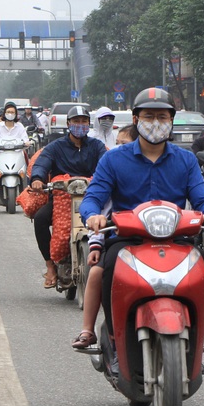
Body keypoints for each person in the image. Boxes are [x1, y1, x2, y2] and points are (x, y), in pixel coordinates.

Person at [77, 87, 204, 348]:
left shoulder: (186, 160)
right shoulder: (113, 160)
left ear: (171, 121)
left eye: (162, 116)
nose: (155, 122)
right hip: (127, 239)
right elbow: (94, 197)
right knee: (105, 271)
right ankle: (112, 340)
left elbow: (201, 196)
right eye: (148, 116)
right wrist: (92, 216)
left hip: (177, 240)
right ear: (136, 120)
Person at [72, 125, 137, 348]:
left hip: (163, 242)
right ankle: (90, 330)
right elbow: (98, 209)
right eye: (117, 144)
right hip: (121, 240)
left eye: (125, 144)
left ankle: (202, 329)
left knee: (203, 267)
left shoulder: (178, 162)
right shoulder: (112, 166)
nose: (119, 149)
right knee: (99, 272)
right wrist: (96, 246)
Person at [29, 105, 107, 288]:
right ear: (68, 124)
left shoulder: (97, 146)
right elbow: (42, 163)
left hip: (92, 197)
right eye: (76, 121)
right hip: (60, 198)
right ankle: (50, 266)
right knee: (40, 219)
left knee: (112, 222)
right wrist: (38, 179)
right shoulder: (56, 147)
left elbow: (107, 164)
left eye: (84, 121)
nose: (80, 125)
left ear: (89, 124)